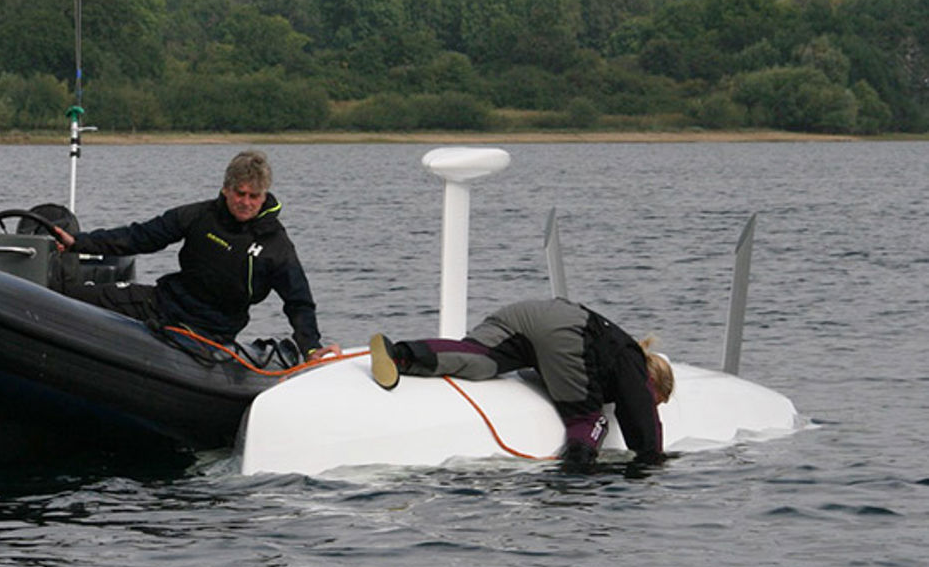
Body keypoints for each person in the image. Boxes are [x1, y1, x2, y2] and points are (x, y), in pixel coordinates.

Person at [54, 150, 340, 361]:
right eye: (240, 193)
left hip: (211, 331)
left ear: (264, 196)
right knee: (65, 299)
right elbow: (140, 236)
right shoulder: (198, 215)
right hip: (161, 303)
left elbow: (299, 301)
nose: (246, 203)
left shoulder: (276, 246)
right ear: (226, 189)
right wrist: (79, 242)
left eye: (254, 196)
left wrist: (311, 348)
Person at [368, 298, 673, 465]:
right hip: (568, 330)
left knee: (480, 360)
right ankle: (573, 479)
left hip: (525, 314)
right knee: (589, 419)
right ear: (653, 380)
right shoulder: (631, 357)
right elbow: (639, 411)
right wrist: (652, 461)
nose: (653, 402)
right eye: (657, 397)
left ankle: (401, 354)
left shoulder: (613, 352)